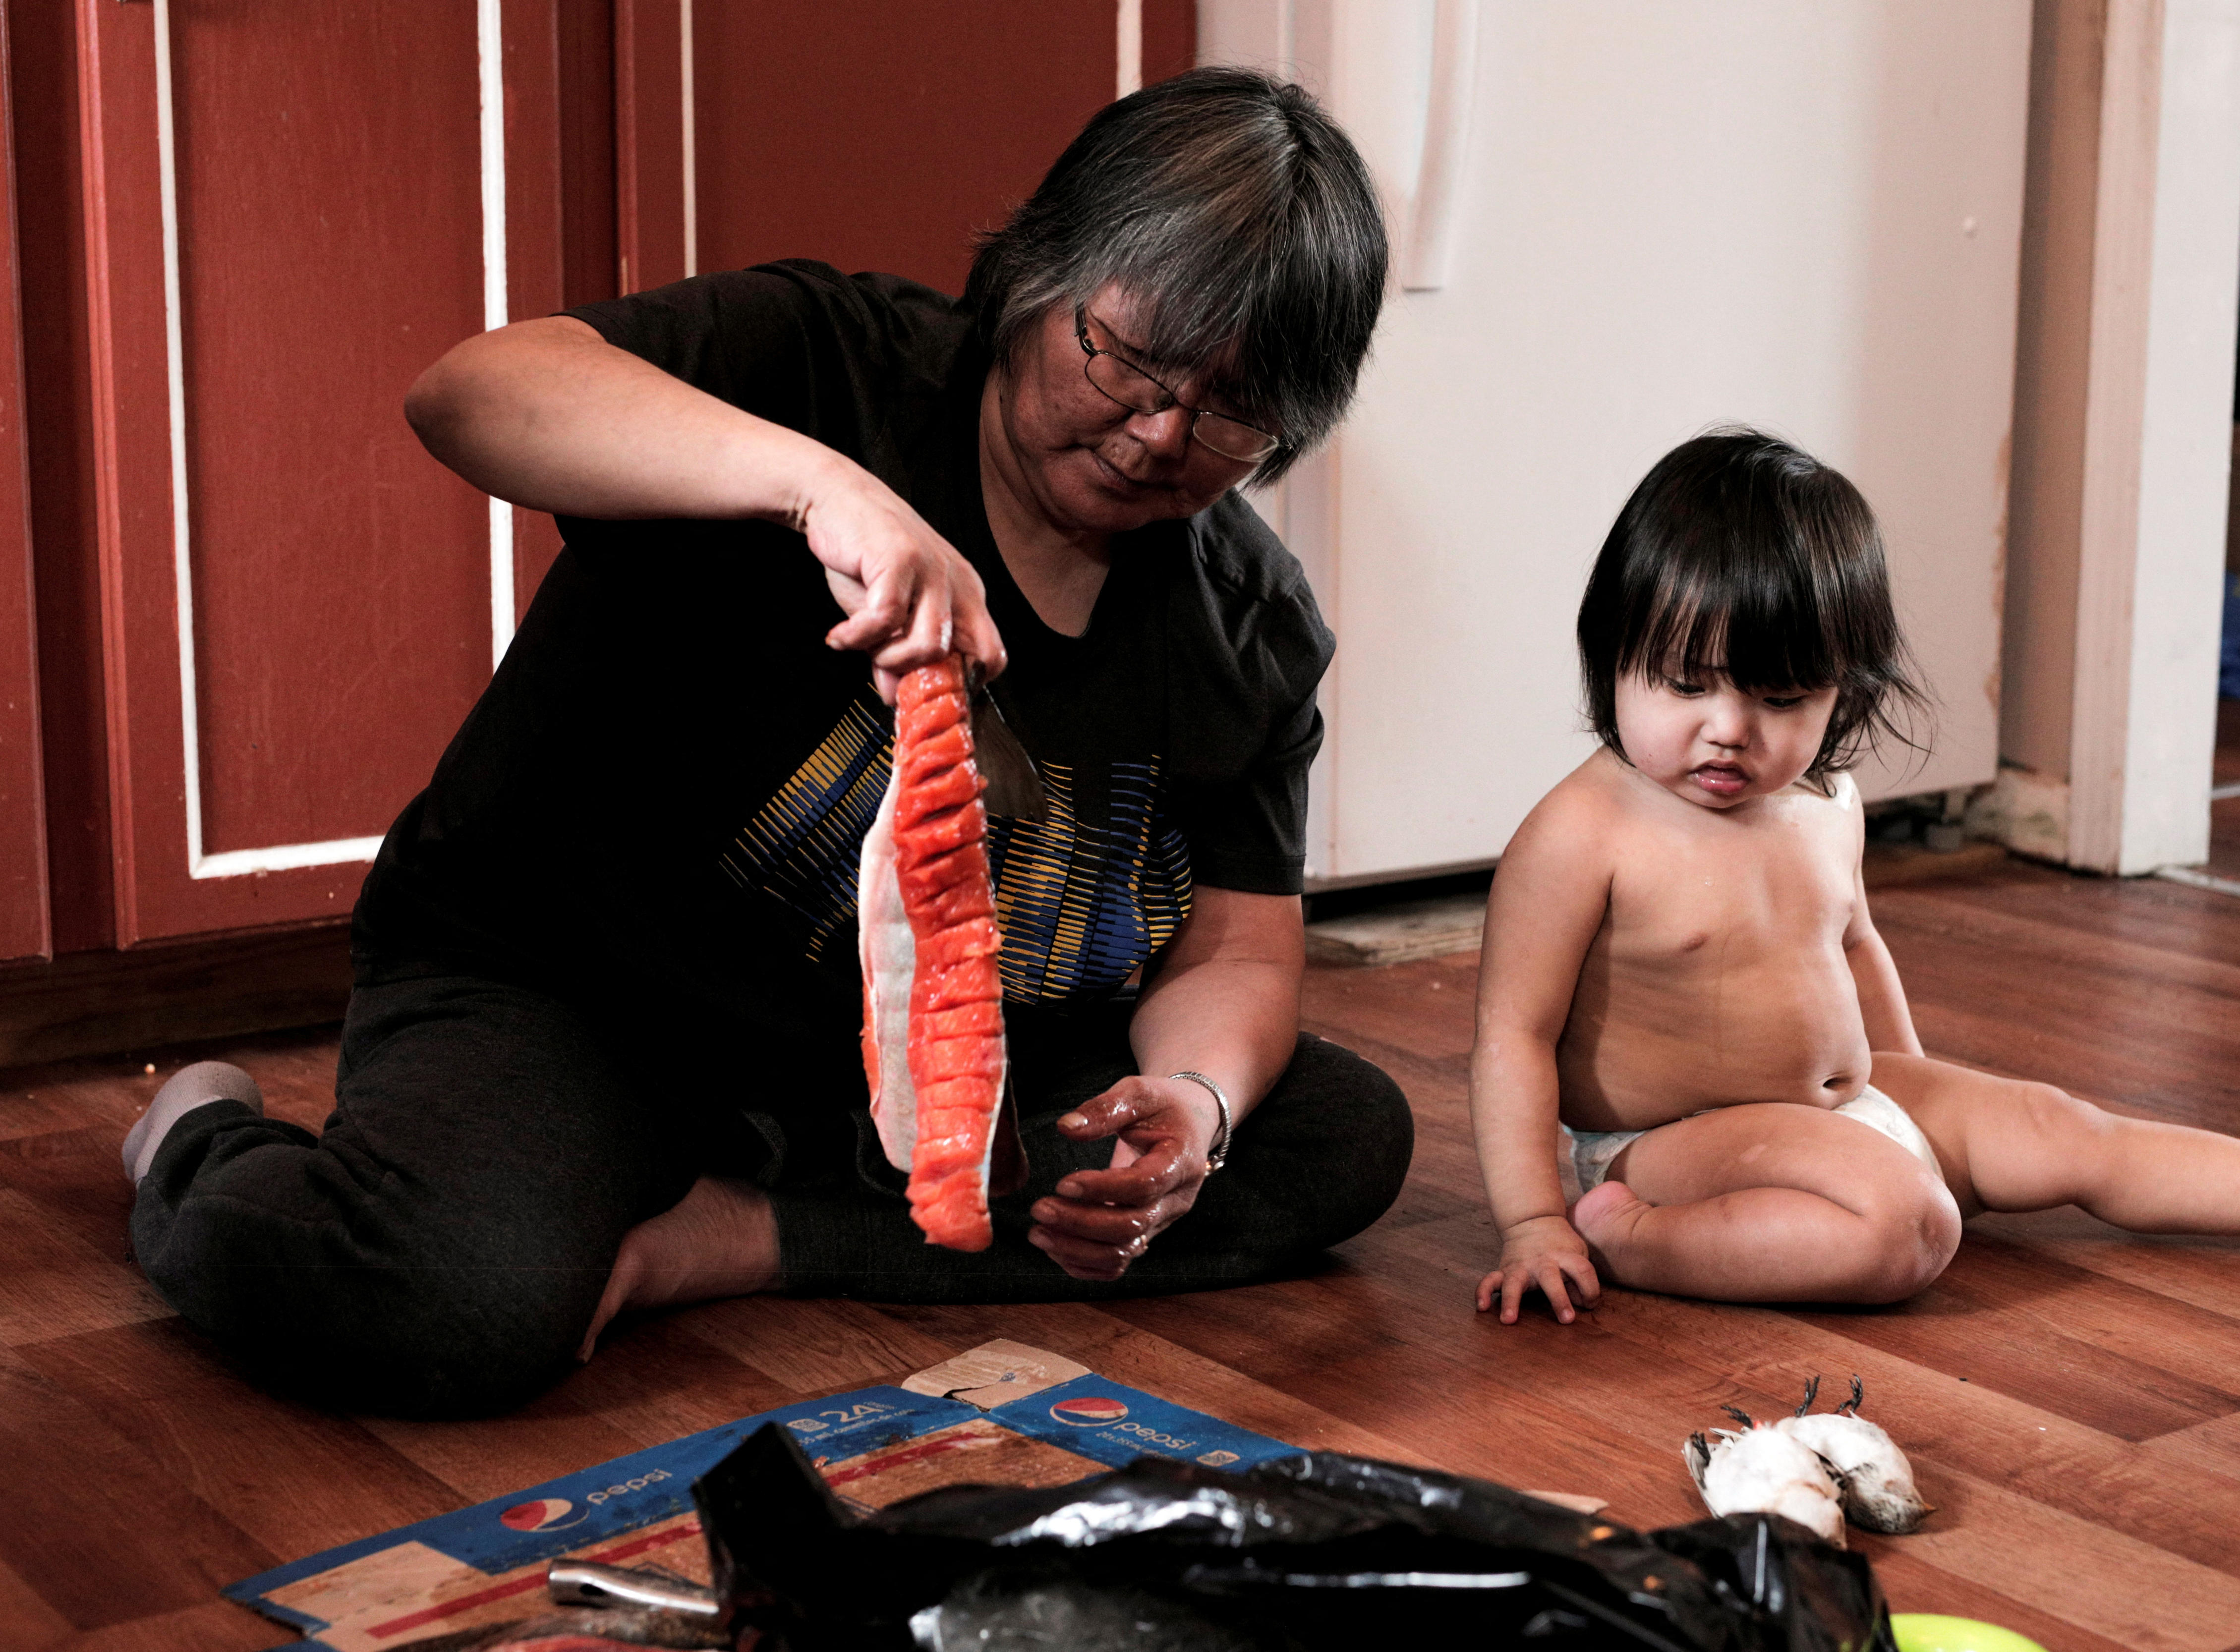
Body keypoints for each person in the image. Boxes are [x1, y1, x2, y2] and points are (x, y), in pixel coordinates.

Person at [120, 68, 1413, 1418]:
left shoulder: (1249, 624)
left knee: (1334, 1133)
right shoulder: (825, 364)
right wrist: (818, 491)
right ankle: (196, 1145)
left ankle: (748, 1234)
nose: (1160, 433)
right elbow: (472, 392)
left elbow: (1241, 944)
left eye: (1228, 413)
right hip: (581, 996)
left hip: (902, 1075)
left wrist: (1194, 1100)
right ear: (1045, 270)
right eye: (1127, 358)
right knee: (457, 1298)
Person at [1470, 428, 2240, 1326]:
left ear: (1839, 692)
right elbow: (1513, 1035)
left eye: (1779, 696)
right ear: (1612, 658)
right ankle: (1633, 1236)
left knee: (2062, 1126)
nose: (1728, 726)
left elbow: (1851, 941)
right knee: (1903, 1223)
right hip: (1672, 1143)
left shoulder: (1824, 797)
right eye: (1685, 684)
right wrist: (1531, 1219)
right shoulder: (1582, 831)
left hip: (1847, 1104)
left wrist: (1913, 1098)